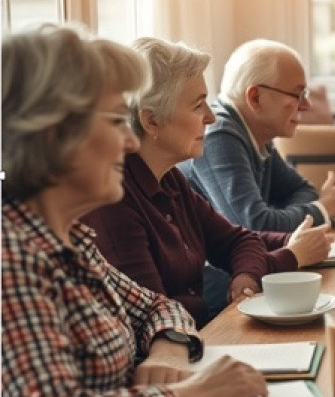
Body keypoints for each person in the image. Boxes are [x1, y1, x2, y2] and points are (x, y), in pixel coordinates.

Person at [1, 25, 266, 395]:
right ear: (55, 134)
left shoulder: (72, 239)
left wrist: (170, 347)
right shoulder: (11, 259)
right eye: (113, 121)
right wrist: (192, 393)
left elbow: (158, 306)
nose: (129, 141)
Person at [82, 37, 331, 327]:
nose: (211, 117)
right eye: (199, 105)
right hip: (183, 350)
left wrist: (247, 274)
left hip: (203, 335)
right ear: (151, 122)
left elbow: (241, 239)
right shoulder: (115, 201)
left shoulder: (170, 180)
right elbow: (157, 321)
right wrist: (290, 255)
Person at [177, 39, 335, 232]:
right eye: (297, 94)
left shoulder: (254, 134)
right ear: (255, 98)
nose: (306, 105)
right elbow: (255, 227)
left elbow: (302, 191)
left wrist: (285, 217)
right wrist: (325, 208)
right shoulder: (218, 135)